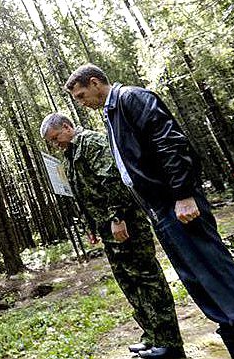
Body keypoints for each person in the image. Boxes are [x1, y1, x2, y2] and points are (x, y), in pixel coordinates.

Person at [64, 63, 234, 359]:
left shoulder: (132, 99)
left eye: (81, 95)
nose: (81, 103)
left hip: (177, 205)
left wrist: (183, 194)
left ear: (94, 82)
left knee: (217, 275)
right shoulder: (112, 114)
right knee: (198, 281)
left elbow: (170, 144)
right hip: (160, 210)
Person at [40, 113, 185, 359]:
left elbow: (113, 180)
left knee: (147, 279)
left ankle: (170, 343)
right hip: (108, 229)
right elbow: (85, 194)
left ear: (67, 127)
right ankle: (151, 336)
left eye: (56, 138)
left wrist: (117, 217)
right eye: (52, 142)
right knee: (130, 283)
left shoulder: (92, 143)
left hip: (126, 224)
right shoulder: (71, 156)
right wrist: (91, 225)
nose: (56, 144)